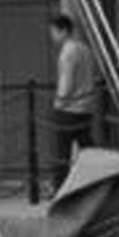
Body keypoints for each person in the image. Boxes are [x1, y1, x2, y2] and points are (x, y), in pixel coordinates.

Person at [47, 12, 101, 175]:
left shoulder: (68, 51)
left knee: (61, 152)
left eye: (54, 32)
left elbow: (67, 82)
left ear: (63, 31)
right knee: (88, 149)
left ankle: (60, 187)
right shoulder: (85, 49)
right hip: (86, 107)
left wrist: (59, 102)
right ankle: (97, 178)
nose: (53, 37)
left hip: (69, 109)